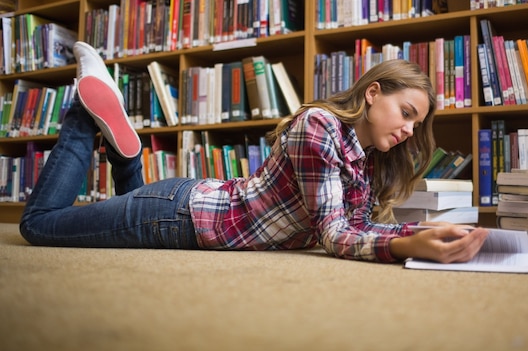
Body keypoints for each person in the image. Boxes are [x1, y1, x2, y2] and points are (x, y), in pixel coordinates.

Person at [20, 42, 488, 263]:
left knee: (126, 210)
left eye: (416, 123)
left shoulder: (361, 157)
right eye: (405, 112)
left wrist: (426, 230)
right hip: (183, 217)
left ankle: (126, 157)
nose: (409, 130)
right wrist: (405, 245)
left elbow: (361, 227)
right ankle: (86, 113)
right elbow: (334, 234)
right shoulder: (320, 126)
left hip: (178, 207)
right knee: (39, 225)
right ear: (372, 93)